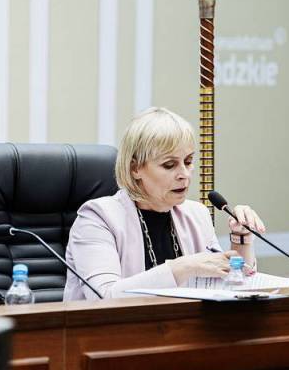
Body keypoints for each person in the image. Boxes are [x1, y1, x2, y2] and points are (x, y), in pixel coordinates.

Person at [64, 107, 265, 300]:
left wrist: (241, 236)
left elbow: (230, 287)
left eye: (188, 161)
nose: (184, 174)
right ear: (135, 168)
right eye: (169, 165)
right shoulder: (97, 219)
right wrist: (182, 267)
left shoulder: (196, 214)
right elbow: (105, 297)